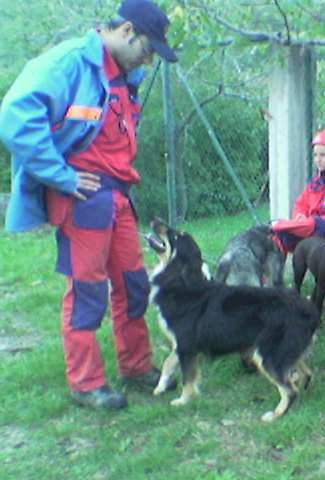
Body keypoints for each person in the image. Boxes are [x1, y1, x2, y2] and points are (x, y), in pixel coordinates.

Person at [0, 0, 179, 410]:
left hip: (118, 196)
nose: (149, 61)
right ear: (128, 30)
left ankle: (136, 366)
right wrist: (60, 176)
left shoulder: (123, 72)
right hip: (84, 198)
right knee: (87, 291)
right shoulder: (70, 62)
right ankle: (86, 383)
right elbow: (14, 116)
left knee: (134, 283)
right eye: (148, 50)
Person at [271, 128, 325, 252]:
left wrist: (318, 220)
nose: (318, 159)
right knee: (282, 237)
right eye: (315, 155)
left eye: (323, 155)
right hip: (311, 226)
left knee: (315, 223)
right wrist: (300, 216)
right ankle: (279, 233)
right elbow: (301, 204)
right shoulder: (315, 183)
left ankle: (276, 225)